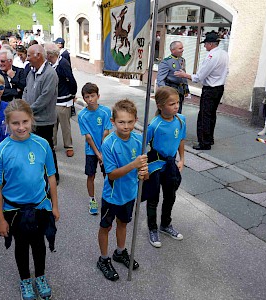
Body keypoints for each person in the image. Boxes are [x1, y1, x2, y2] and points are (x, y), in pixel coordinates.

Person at [0, 99, 59, 300]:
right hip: (14, 211)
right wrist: (0, 219)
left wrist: (54, 205)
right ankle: (25, 280)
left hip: (39, 206)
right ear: (7, 124)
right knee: (21, 246)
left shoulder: (42, 144)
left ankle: (40, 277)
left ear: (32, 120)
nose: (21, 127)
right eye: (15, 123)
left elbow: (51, 176)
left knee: (39, 245)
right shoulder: (0, 151)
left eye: (25, 122)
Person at [97, 99, 147, 281]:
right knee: (106, 226)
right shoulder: (108, 143)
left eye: (130, 122)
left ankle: (120, 252)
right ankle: (103, 259)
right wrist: (134, 164)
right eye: (121, 122)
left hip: (130, 193)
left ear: (136, 121)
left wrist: (143, 171)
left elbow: (142, 170)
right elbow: (111, 175)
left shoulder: (138, 140)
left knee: (123, 223)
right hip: (112, 195)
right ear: (113, 122)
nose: (126, 126)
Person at [141, 86, 185, 248]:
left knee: (170, 196)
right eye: (171, 104)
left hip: (171, 164)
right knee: (153, 198)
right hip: (155, 164)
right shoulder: (154, 125)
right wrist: (144, 169)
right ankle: (153, 229)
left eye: (177, 103)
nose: (176, 106)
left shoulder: (181, 120)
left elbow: (181, 139)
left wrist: (182, 160)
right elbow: (143, 148)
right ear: (160, 106)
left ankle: (165, 224)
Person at [175, 32, 229, 150]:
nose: (204, 46)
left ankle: (204, 142)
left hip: (210, 89)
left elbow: (199, 76)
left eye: (205, 44)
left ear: (211, 44)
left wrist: (185, 75)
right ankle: (210, 138)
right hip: (219, 88)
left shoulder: (211, 56)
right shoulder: (224, 53)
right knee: (212, 115)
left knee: (204, 116)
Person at [23, 44, 60, 183]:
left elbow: (45, 98)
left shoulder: (50, 74)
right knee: (33, 149)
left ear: (38, 55)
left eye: (29, 55)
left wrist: (27, 110)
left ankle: (53, 176)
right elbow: (26, 90)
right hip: (32, 119)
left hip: (44, 121)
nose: (27, 59)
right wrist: (24, 107)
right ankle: (40, 175)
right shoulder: (31, 71)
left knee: (47, 149)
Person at [77, 83, 112, 214]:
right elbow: (88, 137)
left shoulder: (106, 111)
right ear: (84, 98)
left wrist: (103, 152)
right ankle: (92, 199)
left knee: (107, 174)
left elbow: (106, 132)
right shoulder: (82, 115)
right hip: (91, 151)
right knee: (91, 175)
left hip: (105, 149)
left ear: (98, 96)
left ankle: (108, 198)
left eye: (92, 96)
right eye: (87, 97)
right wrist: (98, 153)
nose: (90, 99)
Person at [45, 43, 77, 157]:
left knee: (65, 125)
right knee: (52, 125)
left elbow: (71, 80)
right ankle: (52, 144)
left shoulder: (63, 63)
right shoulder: (48, 64)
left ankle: (68, 146)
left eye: (46, 53)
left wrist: (72, 94)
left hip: (63, 99)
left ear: (50, 55)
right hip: (52, 100)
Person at [157, 41, 189, 113]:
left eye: (182, 48)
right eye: (180, 48)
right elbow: (160, 79)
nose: (182, 50)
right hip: (171, 90)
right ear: (173, 50)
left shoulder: (182, 60)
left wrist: (186, 90)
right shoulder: (166, 62)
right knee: (169, 113)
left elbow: (183, 77)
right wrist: (165, 93)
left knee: (178, 112)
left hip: (180, 91)